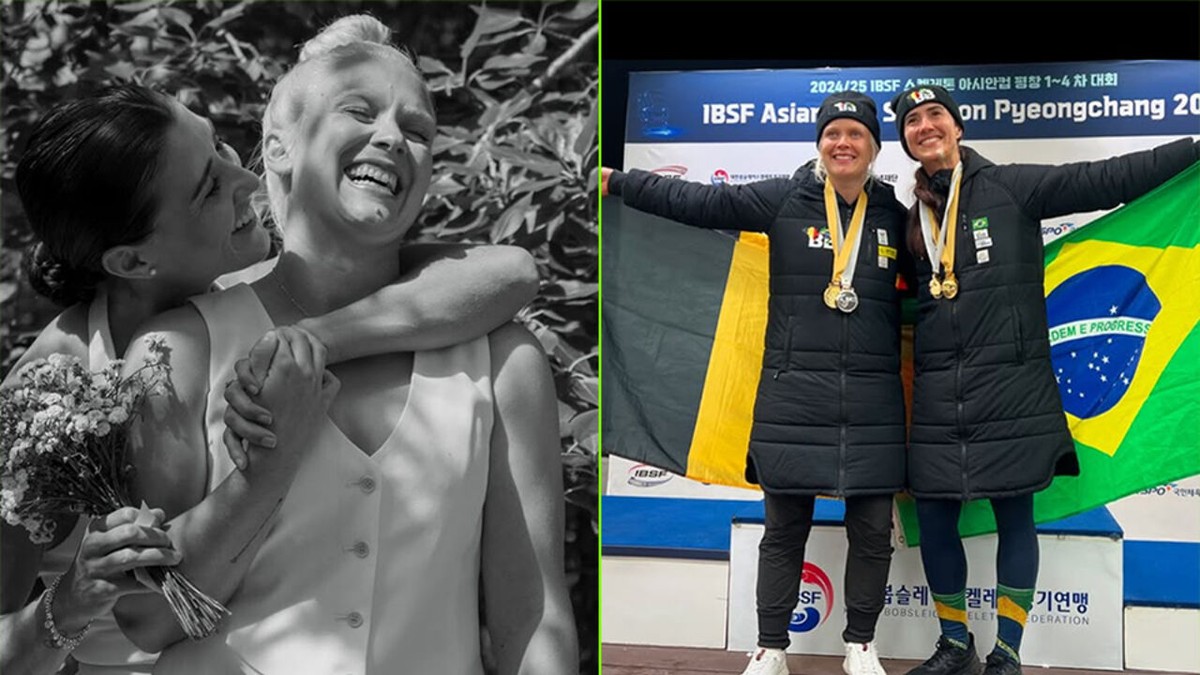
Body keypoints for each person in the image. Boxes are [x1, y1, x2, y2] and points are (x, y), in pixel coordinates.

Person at [0, 82, 539, 674]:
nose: (250, 182)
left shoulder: (246, 281)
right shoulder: (44, 400)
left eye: (223, 151)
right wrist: (73, 600)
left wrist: (311, 341)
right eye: (209, 186)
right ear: (133, 261)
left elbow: (505, 272)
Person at [112, 15, 578, 674]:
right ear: (279, 146)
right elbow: (147, 617)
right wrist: (261, 476)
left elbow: (531, 617)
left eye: (416, 130)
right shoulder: (179, 351)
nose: (392, 137)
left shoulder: (502, 360)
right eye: (359, 111)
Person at [891, 84, 1200, 675]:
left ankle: (1006, 652)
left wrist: (1191, 151)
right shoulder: (912, 219)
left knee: (1014, 517)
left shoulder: (1013, 186)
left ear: (956, 127)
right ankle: (954, 645)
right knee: (933, 517)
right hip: (937, 393)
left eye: (935, 115)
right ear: (906, 138)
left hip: (1012, 387)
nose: (925, 126)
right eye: (912, 121)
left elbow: (1107, 178)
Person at [603, 91, 909, 675]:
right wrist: (618, 183)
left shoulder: (893, 215)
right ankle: (771, 646)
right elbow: (694, 200)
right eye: (832, 133)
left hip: (872, 400)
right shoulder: (783, 199)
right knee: (784, 529)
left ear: (873, 147)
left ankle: (860, 645)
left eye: (856, 135)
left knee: (871, 531)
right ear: (820, 143)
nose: (843, 143)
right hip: (792, 395)